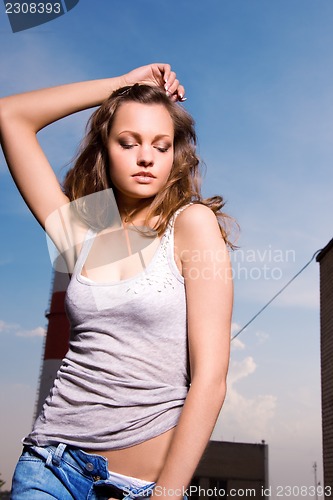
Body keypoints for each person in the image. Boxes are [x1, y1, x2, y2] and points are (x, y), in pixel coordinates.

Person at [0, 63, 233, 500]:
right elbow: (10, 115)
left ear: (174, 156)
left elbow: (211, 378)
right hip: (50, 468)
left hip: (143, 487)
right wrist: (117, 87)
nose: (146, 157)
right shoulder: (85, 231)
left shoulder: (191, 226)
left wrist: (166, 494)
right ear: (105, 149)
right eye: (128, 142)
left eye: (161, 147)